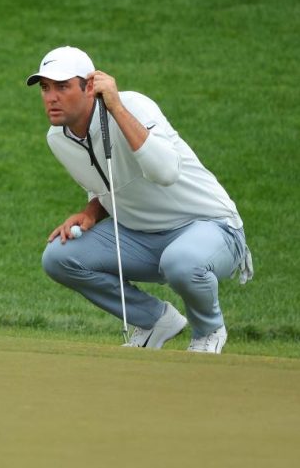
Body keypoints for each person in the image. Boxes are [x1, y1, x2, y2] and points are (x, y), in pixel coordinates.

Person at [28, 46, 253, 353]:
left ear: (90, 86)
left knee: (182, 262)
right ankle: (154, 320)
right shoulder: (58, 139)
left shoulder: (133, 105)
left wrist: (117, 109)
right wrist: (91, 212)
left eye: (63, 86)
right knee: (58, 257)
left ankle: (207, 332)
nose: (51, 97)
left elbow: (165, 172)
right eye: (45, 88)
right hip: (143, 237)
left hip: (211, 227)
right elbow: (108, 184)